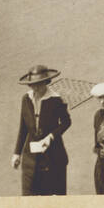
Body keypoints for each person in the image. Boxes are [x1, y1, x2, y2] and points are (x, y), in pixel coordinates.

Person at [13, 65, 71, 196]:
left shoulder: (56, 99)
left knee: (54, 199)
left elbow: (66, 122)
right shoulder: (26, 99)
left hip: (53, 158)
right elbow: (23, 127)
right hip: (31, 160)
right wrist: (17, 153)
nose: (35, 88)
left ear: (46, 82)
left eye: (38, 84)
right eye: (32, 84)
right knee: (29, 199)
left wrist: (50, 137)